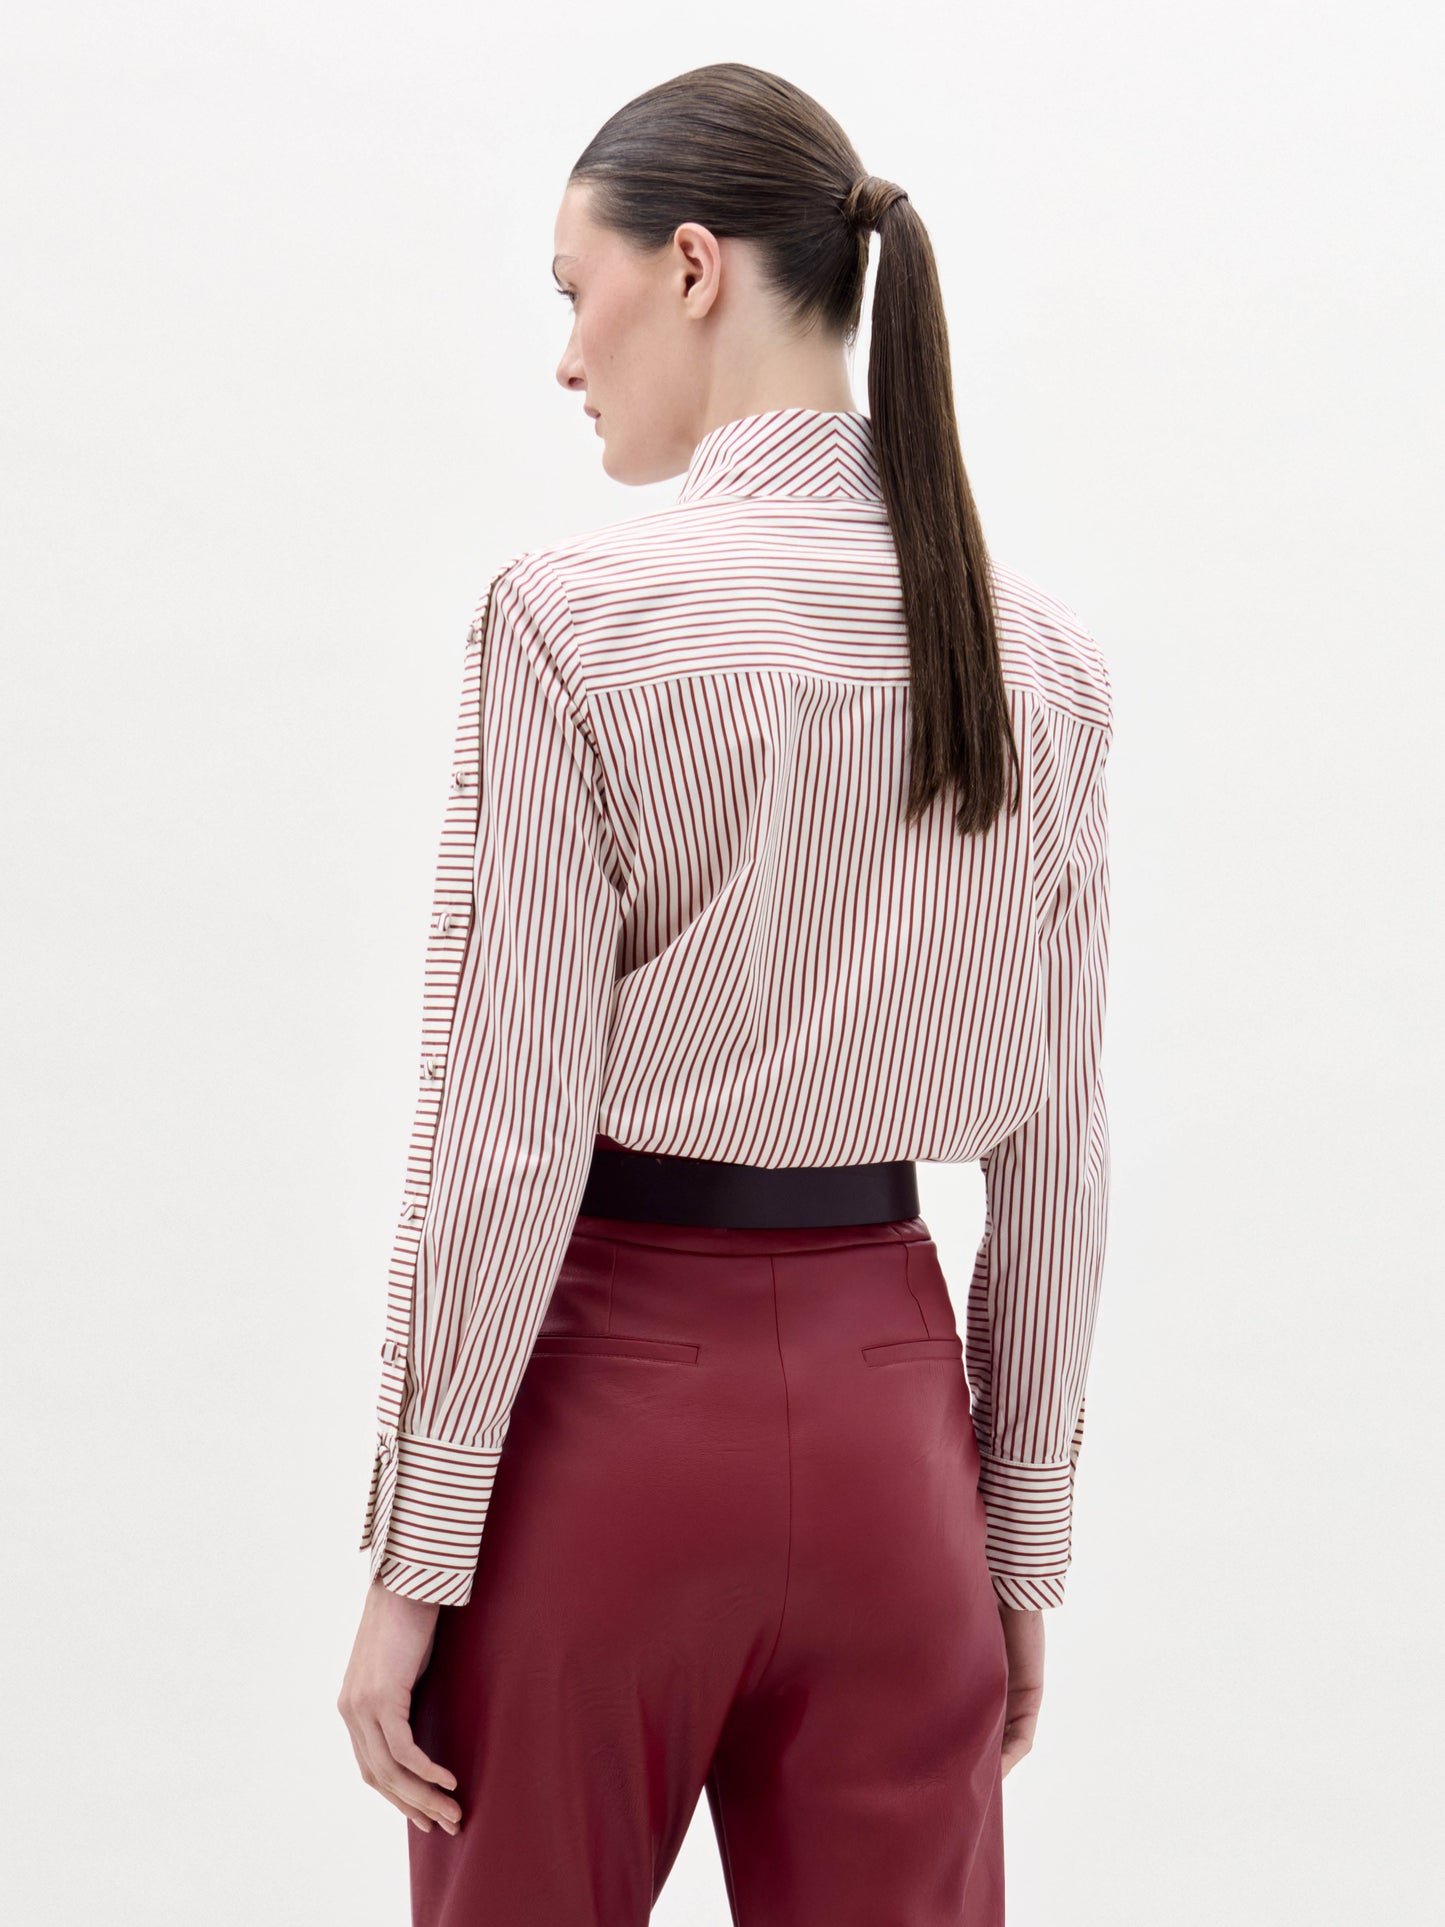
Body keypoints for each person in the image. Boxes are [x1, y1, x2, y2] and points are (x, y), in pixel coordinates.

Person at [337, 59, 1113, 1927]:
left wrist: (410, 1560)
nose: (564, 354)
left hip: (611, 1419)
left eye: (568, 287)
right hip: (892, 1437)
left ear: (689, 267)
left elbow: (509, 1130)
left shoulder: (570, 620)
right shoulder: (1042, 665)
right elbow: (1059, 1159)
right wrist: (1009, 1547)